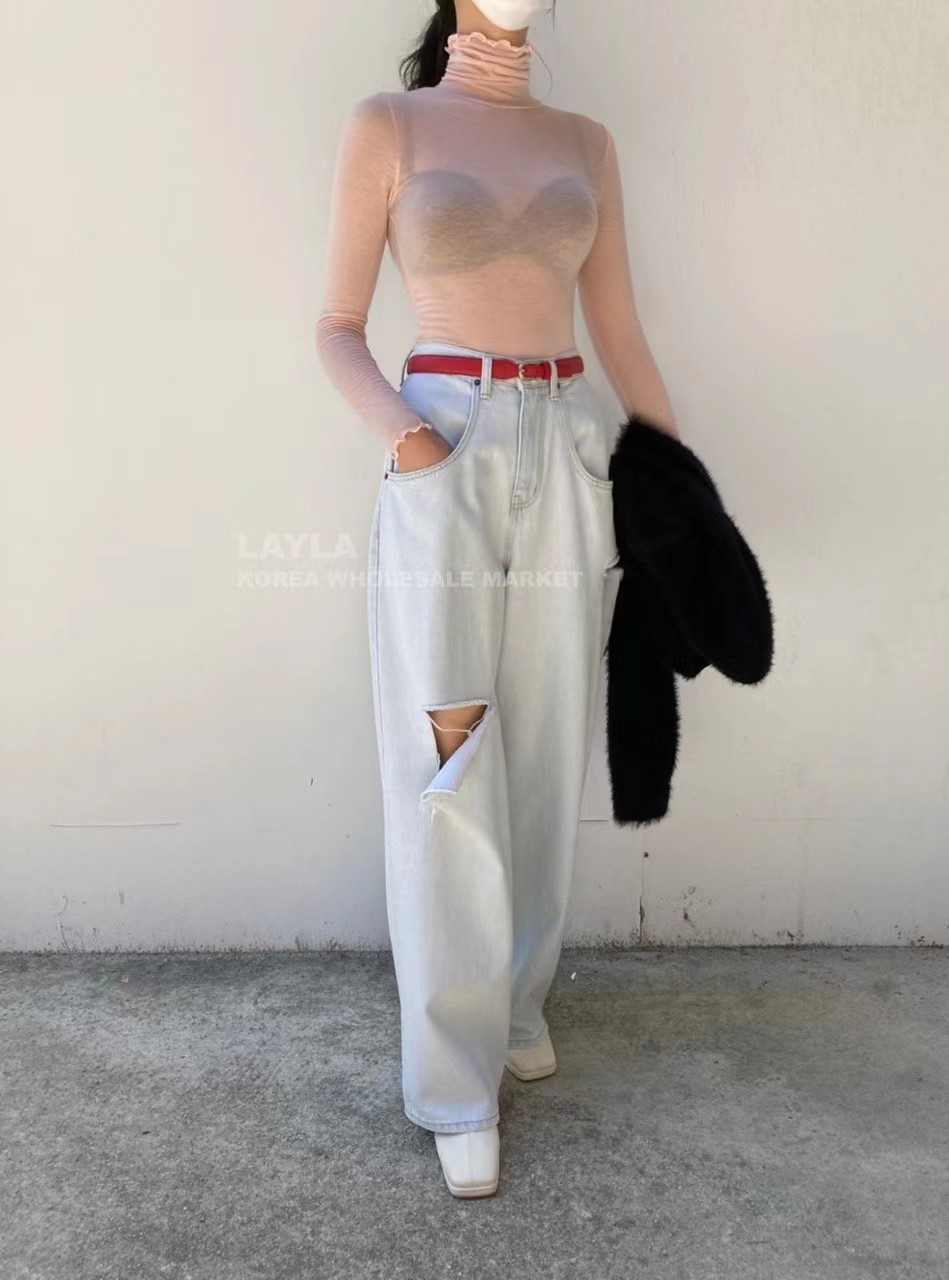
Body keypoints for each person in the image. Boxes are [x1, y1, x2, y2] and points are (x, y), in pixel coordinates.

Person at [315, 0, 679, 1198]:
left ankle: (518, 999)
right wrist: (412, 438)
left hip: (570, 446)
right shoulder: (390, 125)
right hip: (447, 444)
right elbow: (336, 326)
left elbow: (617, 324)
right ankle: (454, 1077)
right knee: (450, 751)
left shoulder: (587, 142)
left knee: (549, 741)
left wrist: (678, 484)